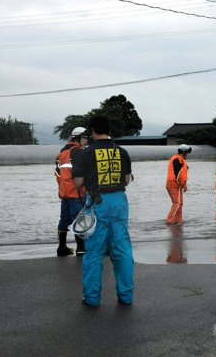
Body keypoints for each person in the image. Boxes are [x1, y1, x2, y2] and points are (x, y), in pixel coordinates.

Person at [72, 115, 134, 307]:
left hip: (97, 203)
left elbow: (78, 182)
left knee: (94, 252)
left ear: (91, 131)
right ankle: (126, 296)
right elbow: (127, 180)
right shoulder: (121, 151)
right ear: (109, 130)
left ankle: (91, 298)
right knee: (122, 249)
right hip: (119, 201)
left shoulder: (85, 153)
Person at [54, 126, 88, 257]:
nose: (86, 141)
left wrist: (63, 186)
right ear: (79, 138)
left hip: (64, 192)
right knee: (79, 220)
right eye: (85, 138)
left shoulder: (62, 151)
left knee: (64, 219)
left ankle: (62, 248)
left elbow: (57, 173)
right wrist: (84, 188)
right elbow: (82, 173)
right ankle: (81, 248)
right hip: (76, 193)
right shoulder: (79, 152)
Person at [165, 144, 191, 225]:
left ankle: (179, 221)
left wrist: (183, 184)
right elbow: (178, 174)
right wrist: (183, 184)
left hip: (176, 184)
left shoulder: (179, 159)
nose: (187, 155)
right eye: (187, 153)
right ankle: (170, 221)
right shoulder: (177, 159)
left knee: (179, 203)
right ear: (183, 152)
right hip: (174, 183)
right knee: (177, 203)